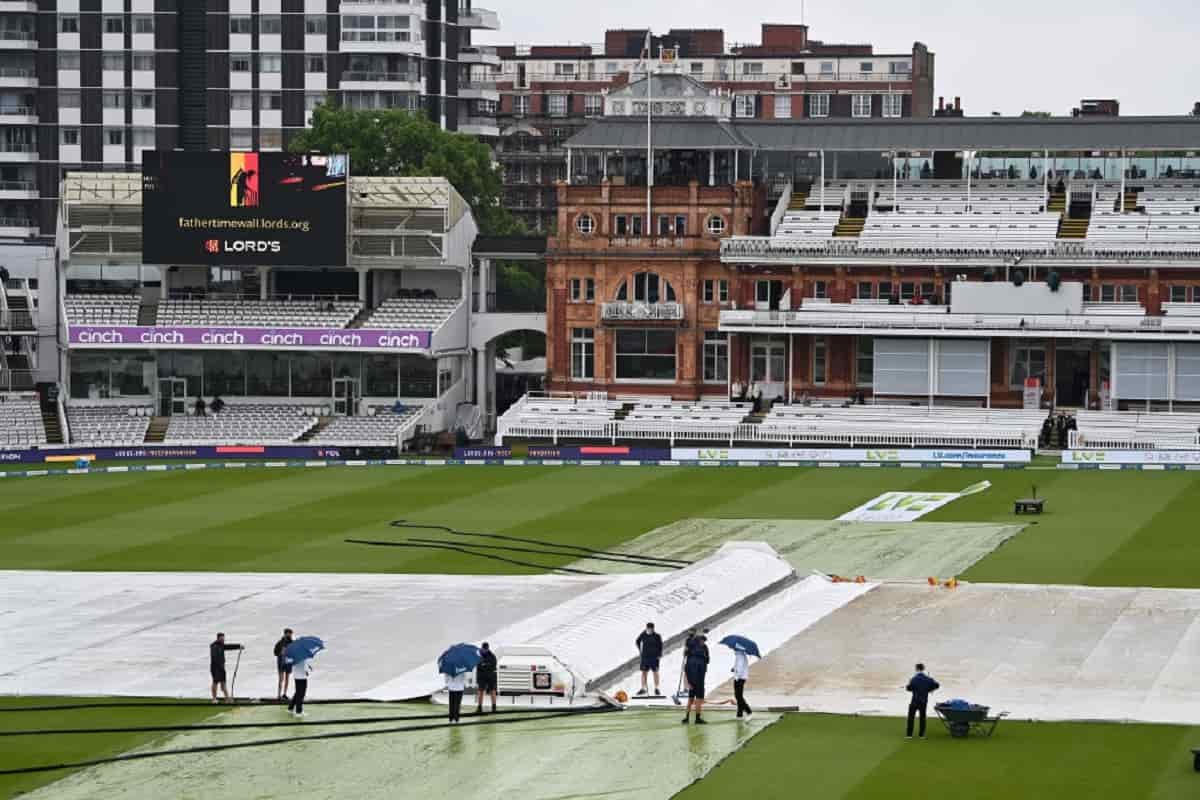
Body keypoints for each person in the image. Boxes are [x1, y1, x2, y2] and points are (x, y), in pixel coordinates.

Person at [905, 662, 940, 739]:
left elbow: (909, 688)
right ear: (923, 669)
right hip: (923, 701)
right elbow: (937, 685)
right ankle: (921, 735)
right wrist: (929, 689)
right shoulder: (928, 679)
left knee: (911, 717)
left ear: (916, 669)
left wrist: (908, 686)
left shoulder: (913, 679)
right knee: (922, 718)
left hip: (914, 700)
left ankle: (909, 735)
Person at [682, 633, 709, 724]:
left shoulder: (690, 654)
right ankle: (697, 718)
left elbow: (686, 669)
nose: (703, 642)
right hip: (699, 681)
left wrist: (688, 682)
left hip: (691, 681)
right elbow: (707, 662)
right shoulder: (703, 653)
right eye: (702, 641)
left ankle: (687, 717)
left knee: (691, 699)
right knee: (699, 699)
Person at [209, 633, 243, 704]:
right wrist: (219, 666)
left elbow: (229, 646)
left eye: (223, 638)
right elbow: (214, 657)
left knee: (223, 683)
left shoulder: (221, 645)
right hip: (215, 668)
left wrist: (239, 646)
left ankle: (227, 699)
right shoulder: (214, 646)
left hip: (221, 667)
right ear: (218, 638)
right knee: (215, 682)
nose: (223, 639)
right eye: (222, 638)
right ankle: (214, 699)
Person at [635, 622, 663, 696]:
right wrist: (640, 651)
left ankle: (656, 688)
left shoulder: (657, 636)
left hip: (654, 657)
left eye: (651, 629)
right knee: (644, 672)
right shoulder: (643, 634)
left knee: (655, 672)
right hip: (645, 657)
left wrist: (659, 654)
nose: (650, 630)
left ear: (653, 629)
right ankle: (643, 688)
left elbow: (660, 646)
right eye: (648, 628)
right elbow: (637, 641)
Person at [475, 642, 498, 714]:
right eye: (484, 649)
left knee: (493, 691)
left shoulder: (492, 656)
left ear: (488, 648)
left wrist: (484, 665)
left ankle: (494, 707)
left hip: (491, 676)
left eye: (486, 649)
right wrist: (485, 665)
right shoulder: (478, 655)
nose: (485, 650)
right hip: (481, 676)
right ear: (482, 648)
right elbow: (478, 665)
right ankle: (479, 708)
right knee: (480, 691)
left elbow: (493, 665)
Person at [288, 652, 311, 717]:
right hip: (302, 676)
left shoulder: (294, 655)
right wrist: (307, 671)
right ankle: (298, 711)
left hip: (297, 676)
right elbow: (305, 666)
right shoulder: (303, 655)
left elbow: (294, 664)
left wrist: (308, 667)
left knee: (298, 692)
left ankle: (291, 708)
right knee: (301, 694)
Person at [273, 628, 294, 701]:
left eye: (291, 634)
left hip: (288, 662)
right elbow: (275, 652)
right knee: (281, 679)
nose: (290, 635)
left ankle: (284, 694)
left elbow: (294, 653)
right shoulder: (280, 643)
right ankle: (278, 695)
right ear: (285, 634)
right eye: (289, 633)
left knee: (287, 678)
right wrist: (280, 653)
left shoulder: (292, 642)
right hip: (281, 662)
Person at [732, 648, 753, 719]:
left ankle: (748, 711)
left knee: (738, 696)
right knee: (738, 696)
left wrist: (736, 674)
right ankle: (739, 714)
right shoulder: (740, 655)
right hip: (740, 677)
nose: (733, 649)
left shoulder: (740, 656)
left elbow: (740, 669)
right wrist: (734, 668)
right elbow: (738, 666)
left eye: (734, 648)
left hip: (739, 678)